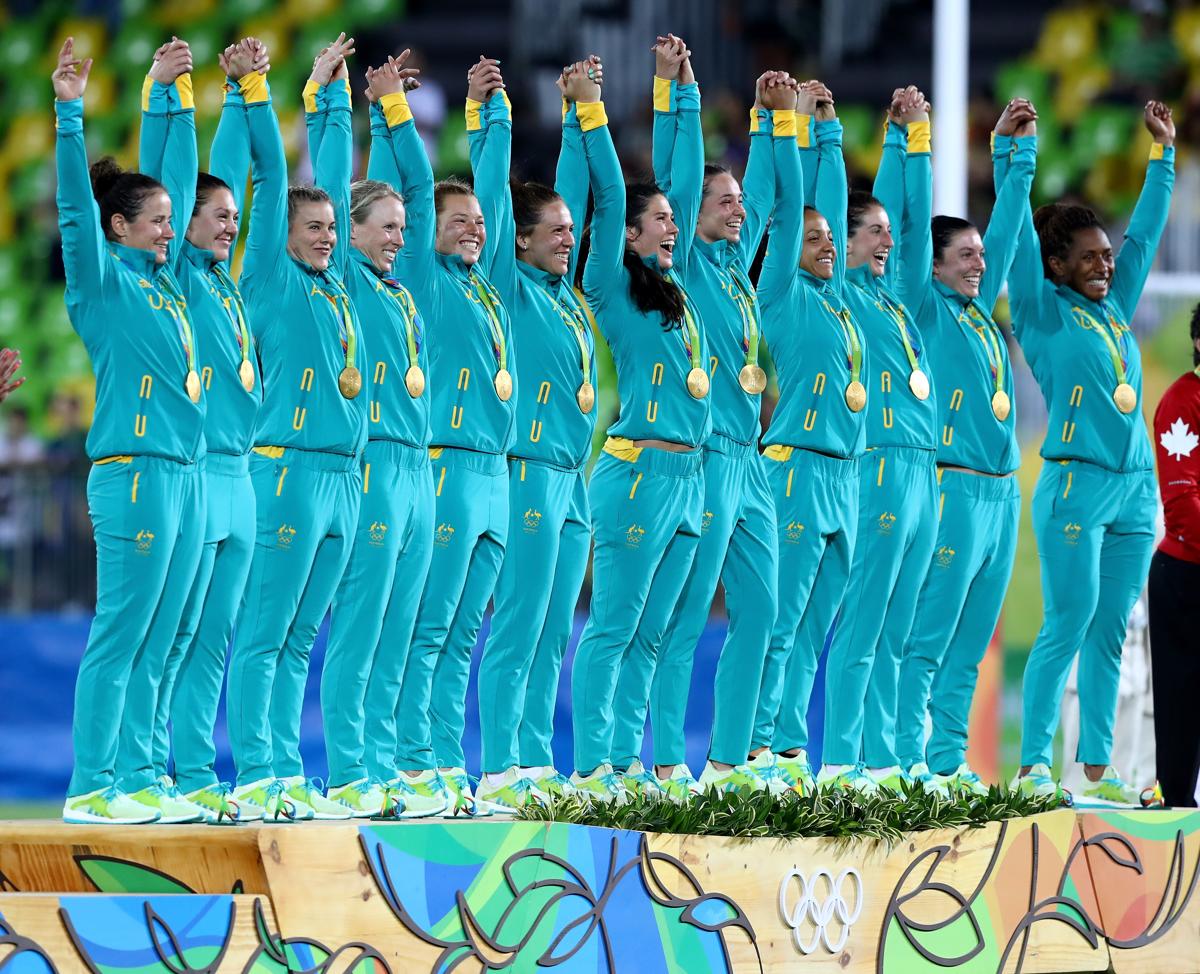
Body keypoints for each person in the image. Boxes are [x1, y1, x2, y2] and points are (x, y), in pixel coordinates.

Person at [613, 68, 796, 797]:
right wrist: (678, 96)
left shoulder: (738, 275)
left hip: (752, 462)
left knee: (764, 610)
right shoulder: (683, 265)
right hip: (708, 456)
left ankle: (730, 761)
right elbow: (678, 180)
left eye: (738, 202)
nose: (737, 209)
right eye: (725, 201)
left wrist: (775, 123)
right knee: (686, 616)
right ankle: (663, 762)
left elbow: (777, 200)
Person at [113, 37, 268, 825]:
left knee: (213, 640)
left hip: (241, 476)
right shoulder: (172, 275)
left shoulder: (229, 286)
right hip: (194, 471)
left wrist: (242, 92)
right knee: (170, 635)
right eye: (216, 217)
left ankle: (197, 773)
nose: (229, 226)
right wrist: (167, 95)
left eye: (235, 218)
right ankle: (139, 768)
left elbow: (233, 173)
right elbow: (170, 177)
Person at [54, 37, 205, 824]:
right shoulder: (103, 285)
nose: (170, 232)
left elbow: (177, 174)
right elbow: (75, 214)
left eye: (174, 222)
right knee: (123, 631)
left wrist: (169, 94)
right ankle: (91, 785)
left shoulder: (169, 286)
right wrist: (68, 113)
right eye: (157, 223)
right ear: (118, 227)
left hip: (182, 474)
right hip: (135, 472)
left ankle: (143, 776)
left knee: (167, 635)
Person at [1012, 100, 1174, 805]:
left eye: (1106, 256)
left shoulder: (1114, 307)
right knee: (1067, 623)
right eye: (1089, 257)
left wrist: (1163, 155)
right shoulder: (1041, 311)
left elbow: (1144, 236)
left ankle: (1096, 773)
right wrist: (1017, 156)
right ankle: (1031, 770)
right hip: (1075, 487)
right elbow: (1015, 241)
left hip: (1136, 490)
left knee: (1111, 631)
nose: (1106, 265)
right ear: (1057, 265)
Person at [224, 33, 367, 821]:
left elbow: (335, 179)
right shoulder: (269, 279)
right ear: (279, 234)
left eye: (331, 229)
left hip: (344, 476)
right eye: (311, 228)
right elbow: (275, 180)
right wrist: (262, 92)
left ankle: (283, 771)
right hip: (286, 471)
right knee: (267, 632)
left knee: (302, 637)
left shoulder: (335, 285)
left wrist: (330, 99)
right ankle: (257, 774)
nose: (325, 236)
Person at [569, 34, 711, 802]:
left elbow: (683, 180)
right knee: (615, 626)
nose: (671, 225)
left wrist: (678, 90)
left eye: (672, 220)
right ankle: (594, 767)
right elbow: (612, 193)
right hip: (636, 474)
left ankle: (628, 763)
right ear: (628, 232)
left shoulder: (678, 290)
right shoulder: (611, 286)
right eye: (657, 220)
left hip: (690, 478)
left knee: (653, 633)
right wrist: (592, 114)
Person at [383, 55, 517, 816]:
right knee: (429, 627)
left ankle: (442, 763)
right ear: (427, 234)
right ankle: (411, 764)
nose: (472, 229)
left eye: (477, 223)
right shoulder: (426, 281)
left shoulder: (486, 286)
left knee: (464, 634)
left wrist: (487, 111)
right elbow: (411, 184)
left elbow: (495, 192)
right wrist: (397, 113)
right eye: (455, 221)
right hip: (448, 468)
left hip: (495, 474)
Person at [893, 99, 1037, 794]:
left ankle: (948, 763)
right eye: (966, 256)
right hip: (950, 489)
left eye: (981, 256)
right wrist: (916, 140)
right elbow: (913, 226)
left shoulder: (980, 313)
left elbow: (1006, 230)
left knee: (972, 643)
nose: (980, 263)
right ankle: (904, 762)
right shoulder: (924, 309)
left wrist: (1015, 154)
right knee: (930, 636)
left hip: (1002, 494)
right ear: (935, 266)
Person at [472, 57, 604, 811]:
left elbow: (574, 196)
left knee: (556, 629)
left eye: (569, 232)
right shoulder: (510, 288)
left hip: (570, 478)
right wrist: (492, 116)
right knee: (519, 624)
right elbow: (495, 194)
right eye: (553, 233)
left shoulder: (563, 294)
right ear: (517, 242)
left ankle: (532, 760)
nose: (566, 240)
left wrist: (583, 113)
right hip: (524, 471)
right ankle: (498, 768)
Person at [317, 51, 436, 818]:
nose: (398, 237)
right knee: (361, 628)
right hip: (374, 465)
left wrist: (396, 110)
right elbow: (339, 187)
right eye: (385, 228)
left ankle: (385, 768)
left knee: (400, 629)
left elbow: (417, 193)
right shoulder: (345, 281)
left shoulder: (398, 289)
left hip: (419, 469)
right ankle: (350, 771)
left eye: (400, 229)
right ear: (350, 231)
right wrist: (350, 104)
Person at [820, 86, 939, 794]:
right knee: (864, 622)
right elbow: (840, 209)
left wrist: (910, 137)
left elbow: (916, 225)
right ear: (844, 240)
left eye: (888, 234)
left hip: (924, 471)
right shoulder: (841, 295)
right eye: (873, 233)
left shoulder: (897, 301)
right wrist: (854, 139)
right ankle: (843, 761)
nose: (888, 242)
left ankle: (890, 759)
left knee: (899, 627)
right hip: (880, 466)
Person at [748, 80, 866, 794]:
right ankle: (756, 747)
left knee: (816, 625)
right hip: (794, 470)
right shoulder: (780, 295)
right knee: (781, 620)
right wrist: (789, 127)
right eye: (812, 241)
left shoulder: (840, 301)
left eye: (831, 242)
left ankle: (789, 750)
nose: (825, 247)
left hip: (845, 476)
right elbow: (793, 208)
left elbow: (834, 207)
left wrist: (830, 132)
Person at [1149, 306, 1200, 807]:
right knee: (1182, 709)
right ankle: (1179, 815)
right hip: (1186, 577)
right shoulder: (1183, 402)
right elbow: (1183, 506)